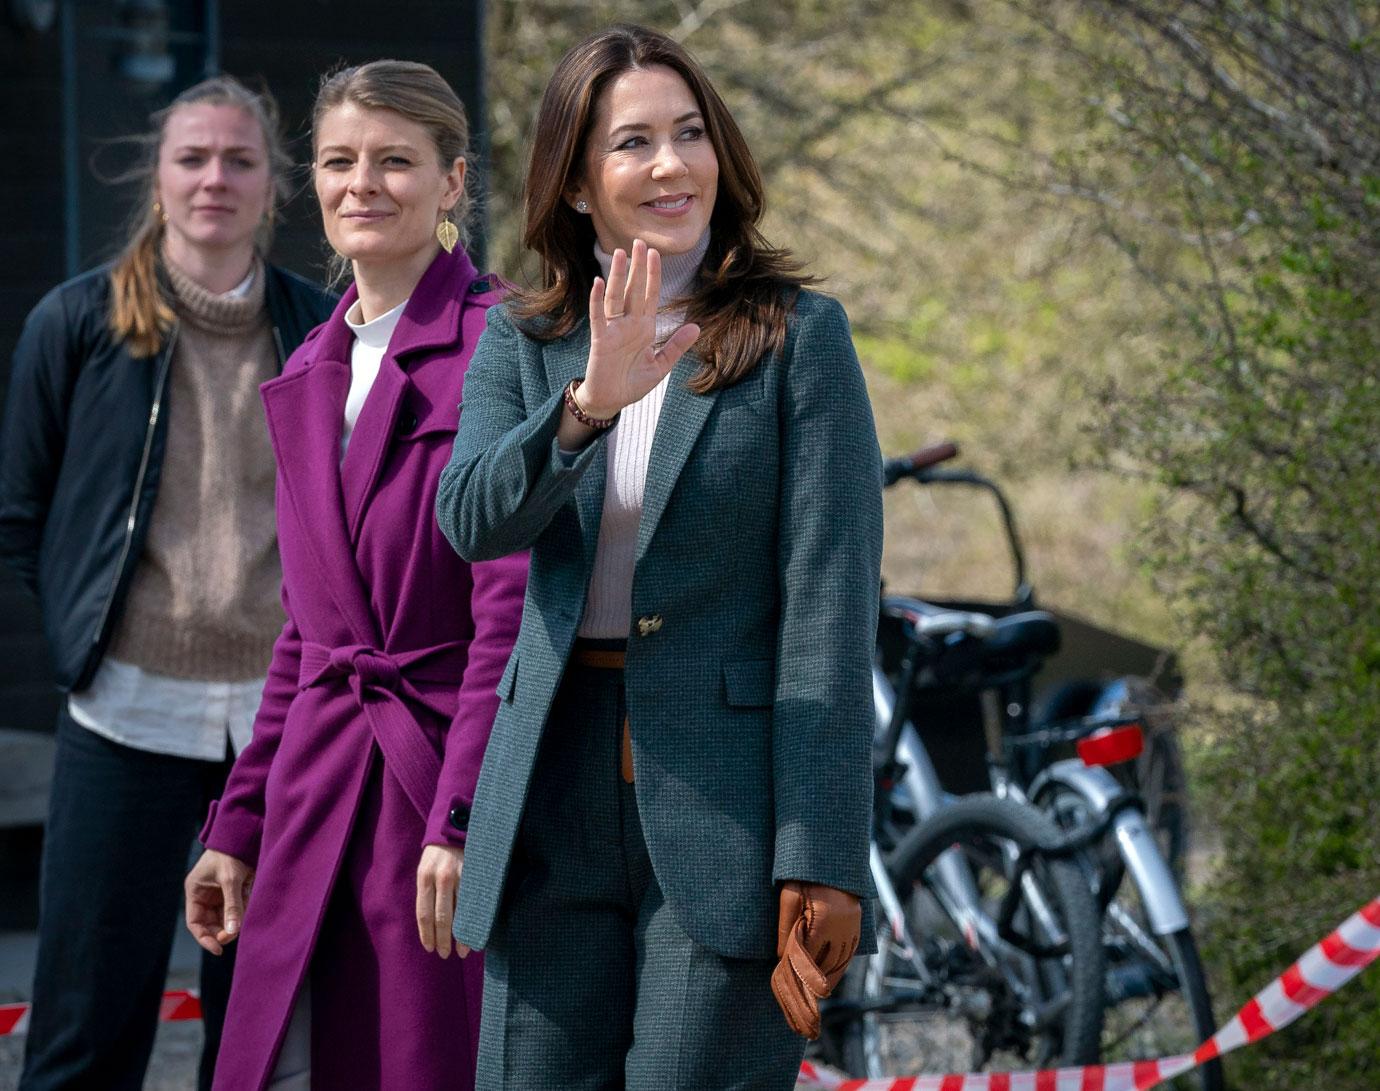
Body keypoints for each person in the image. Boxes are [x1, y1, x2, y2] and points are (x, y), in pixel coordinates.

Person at [436, 23, 883, 1090]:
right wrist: (589, 403)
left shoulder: (796, 338)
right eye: (633, 142)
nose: (671, 164)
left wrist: (819, 853)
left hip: (725, 807)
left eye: (691, 133)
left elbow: (829, 603)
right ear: (581, 183)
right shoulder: (523, 338)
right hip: (550, 783)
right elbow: (470, 519)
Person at [182, 60, 526, 1091]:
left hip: (426, 795)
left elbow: (508, 619)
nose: (362, 184)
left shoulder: (505, 344)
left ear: (453, 181)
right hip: (311, 791)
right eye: (339, 161)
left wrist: (465, 816)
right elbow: (307, 634)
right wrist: (236, 825)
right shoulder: (303, 374)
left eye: (395, 161)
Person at [0, 76, 333, 1091]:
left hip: (278, 729)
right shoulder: (76, 323)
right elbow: (22, 516)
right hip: (126, 714)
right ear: (157, 175)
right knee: (85, 1024)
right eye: (193, 158)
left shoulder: (320, 330)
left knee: (258, 1038)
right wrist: (82, 643)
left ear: (272, 184)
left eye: (238, 159)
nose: (214, 179)